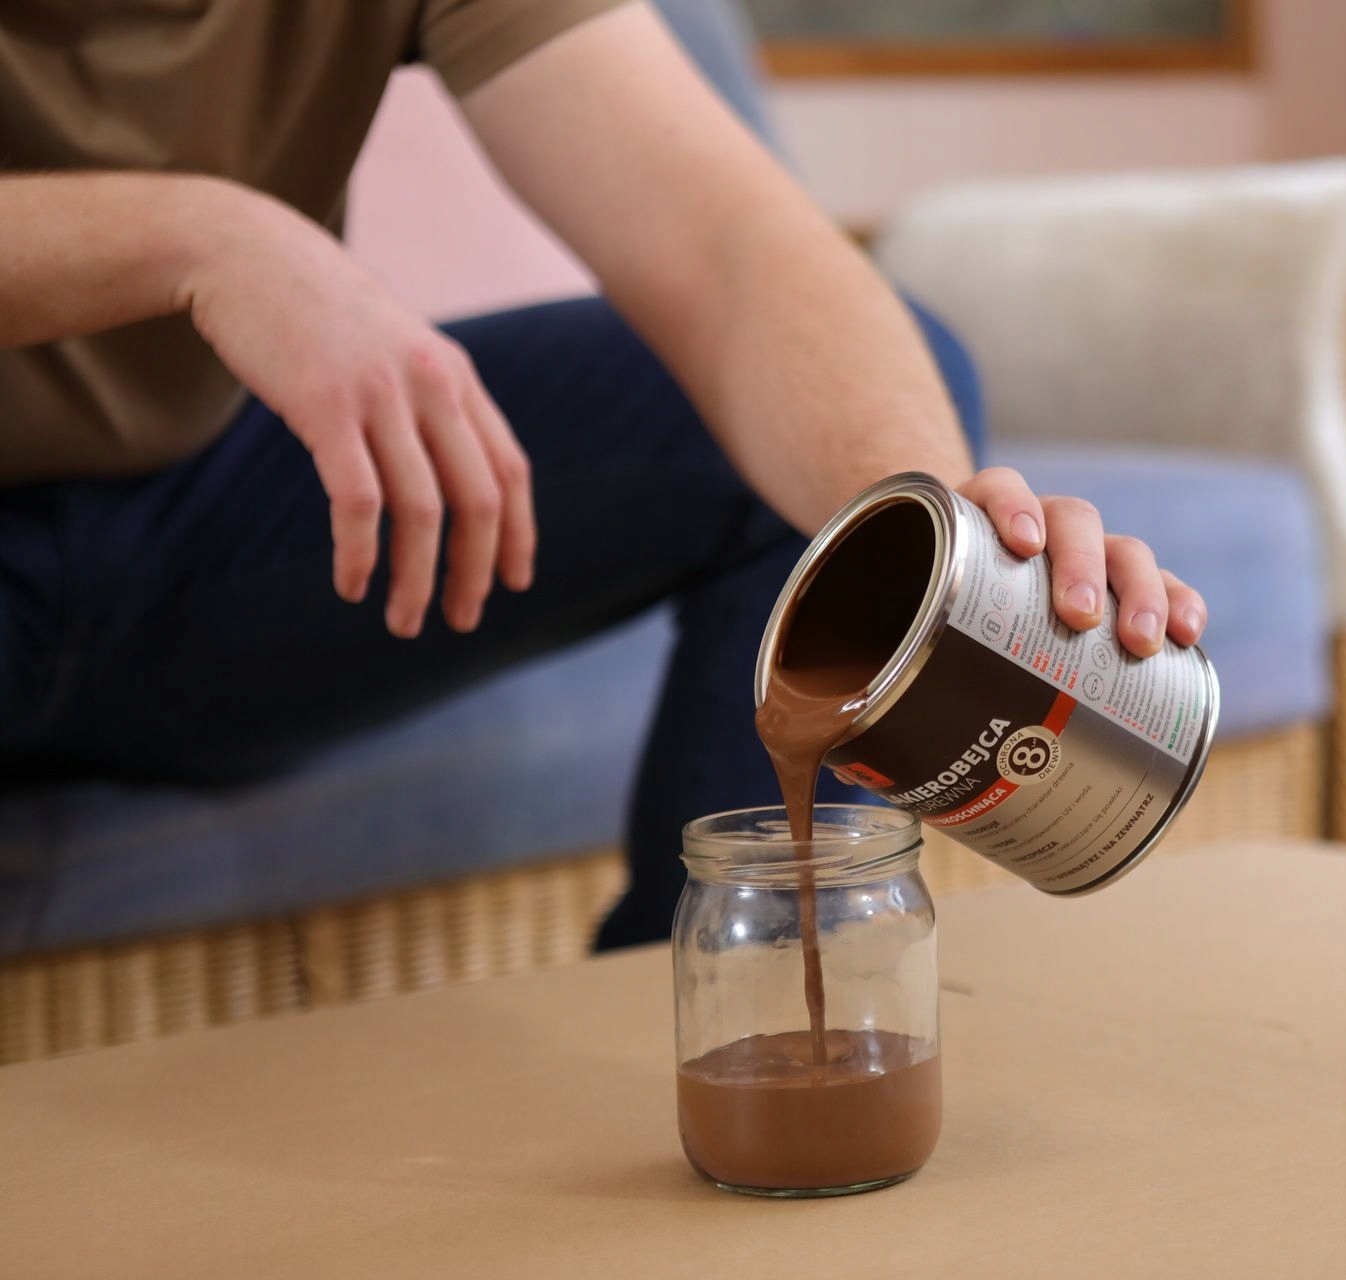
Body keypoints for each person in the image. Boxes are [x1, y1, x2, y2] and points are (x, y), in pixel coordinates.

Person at [0, 1, 1207, 949]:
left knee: (863, 422)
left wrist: (944, 555)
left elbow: (730, 252)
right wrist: (199, 237)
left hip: (194, 529)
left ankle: (728, 1013)